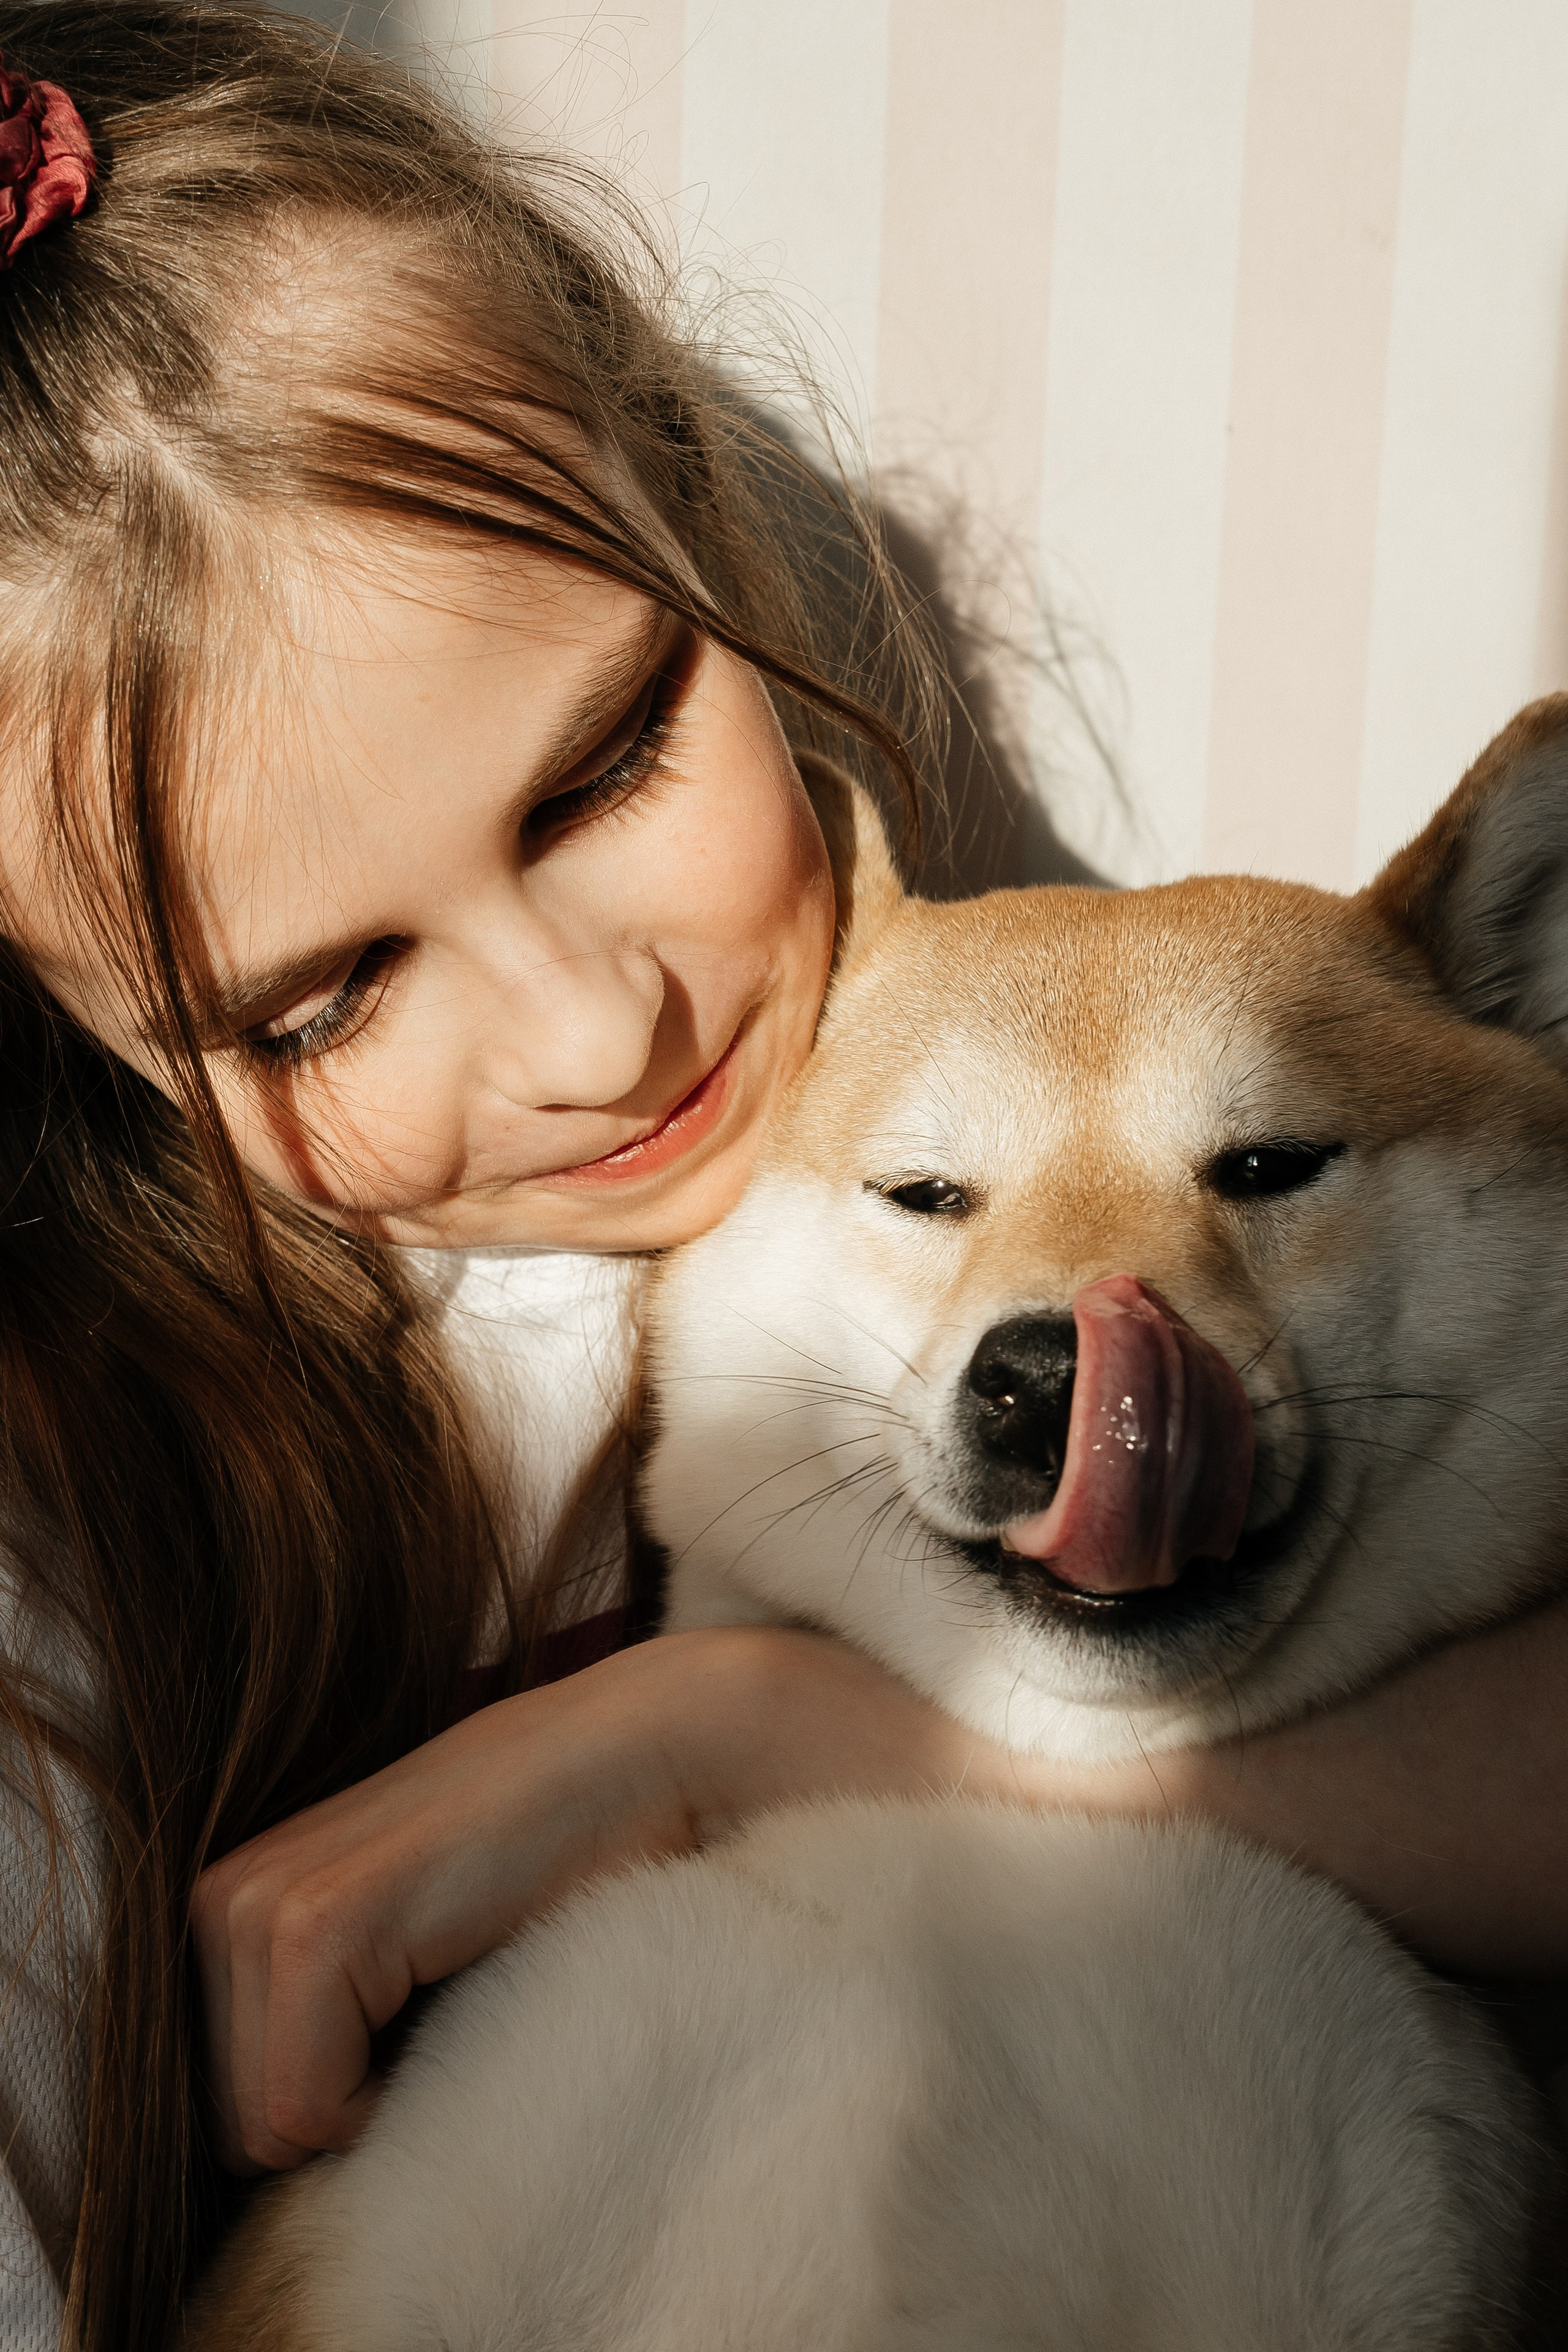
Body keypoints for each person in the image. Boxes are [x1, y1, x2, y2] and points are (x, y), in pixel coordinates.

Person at [0, 7, 1562, 2348]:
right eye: (317, 1003)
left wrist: (728, 1727)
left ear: (704, 527)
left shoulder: (916, 1019)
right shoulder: (69, 1566)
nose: (593, 1033)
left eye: (609, 759)